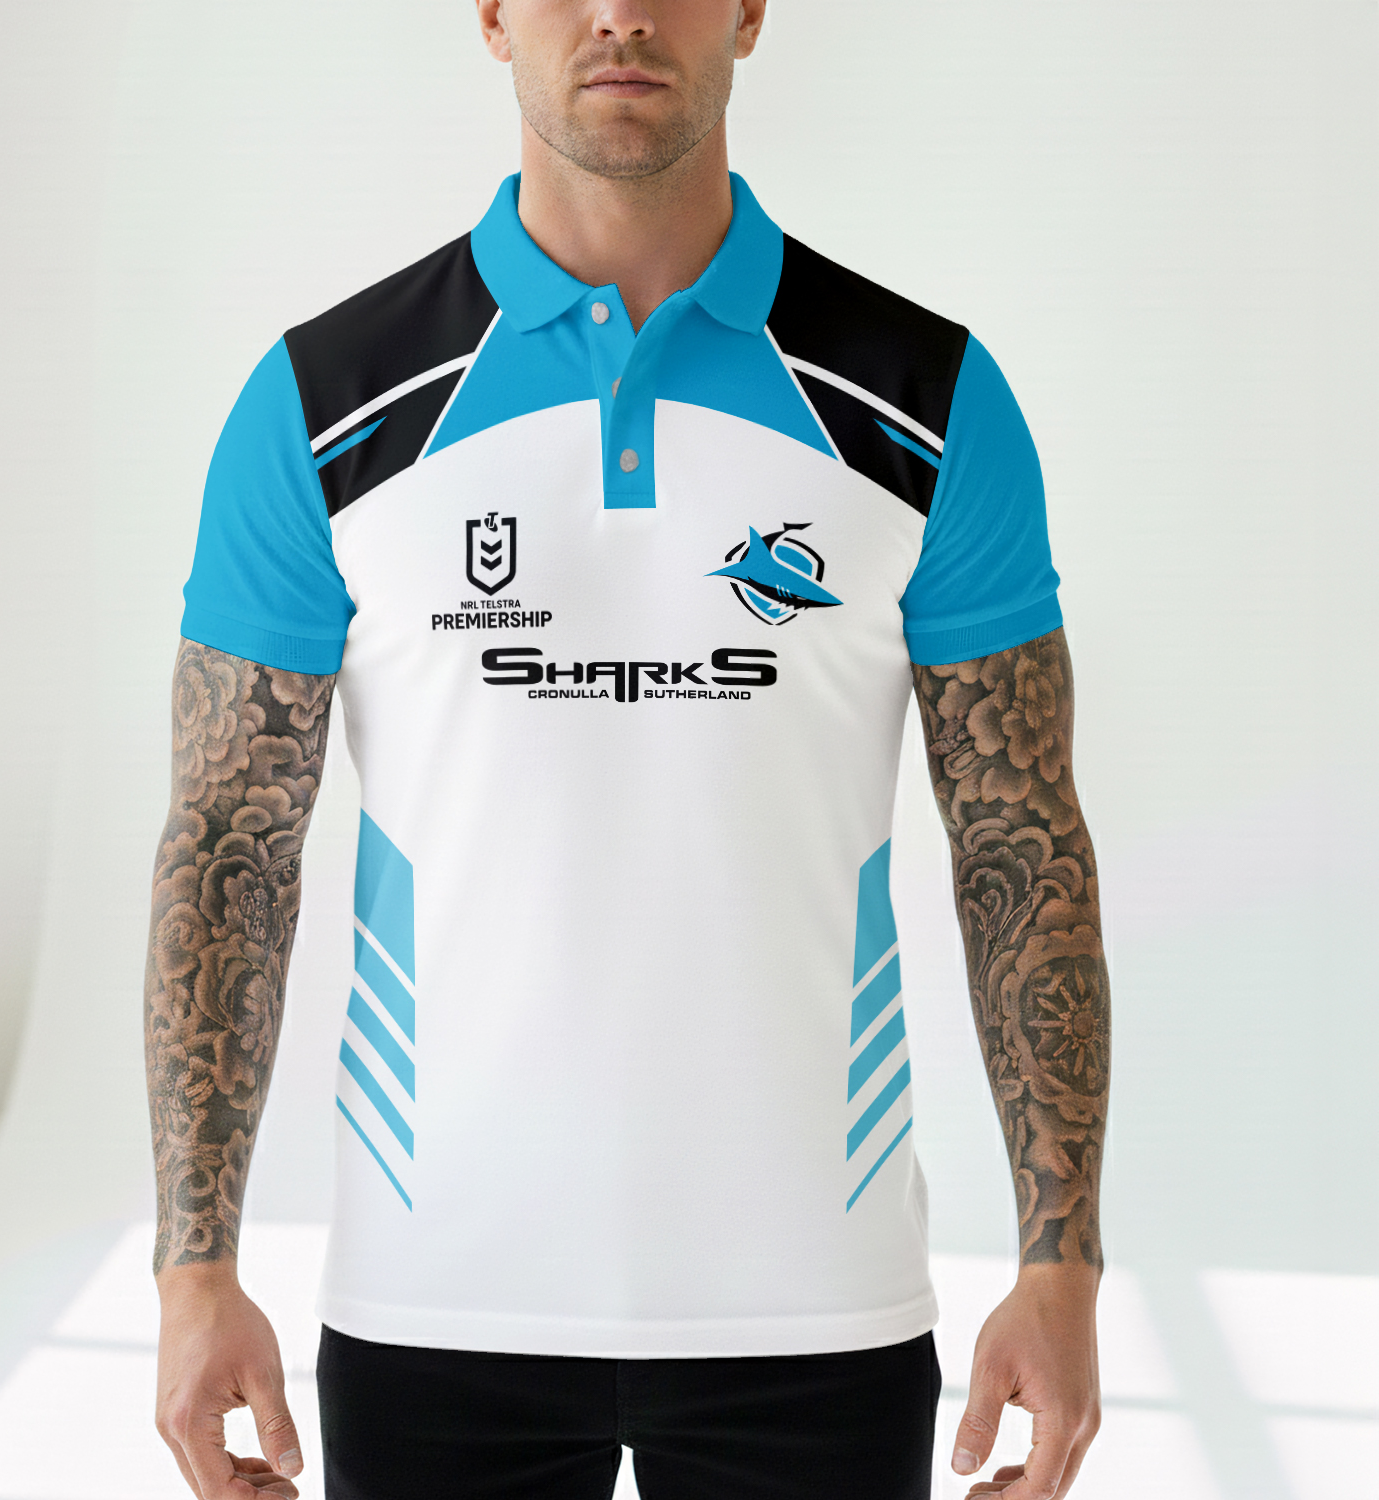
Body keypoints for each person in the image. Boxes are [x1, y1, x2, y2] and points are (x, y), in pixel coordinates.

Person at [145, 3, 1111, 1497]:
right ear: (490, 14)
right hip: (431, 1303)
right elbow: (230, 844)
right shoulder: (322, 406)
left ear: (749, 11)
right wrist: (194, 1269)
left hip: (819, 1311)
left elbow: (1020, 843)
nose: (619, 14)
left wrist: (1063, 1267)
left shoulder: (928, 401)